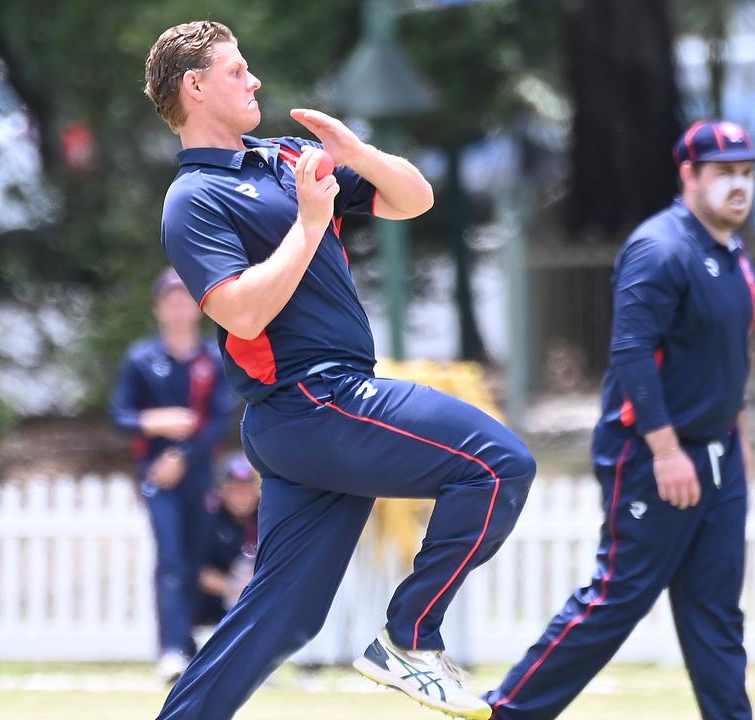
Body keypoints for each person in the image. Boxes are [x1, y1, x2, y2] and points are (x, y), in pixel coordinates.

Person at [142, 20, 536, 720]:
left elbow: (415, 199)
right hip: (312, 401)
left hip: (314, 418)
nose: (253, 79)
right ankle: (410, 638)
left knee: (284, 618)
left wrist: (358, 153)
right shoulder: (193, 198)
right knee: (498, 464)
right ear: (195, 87)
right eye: (236, 71)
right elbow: (240, 314)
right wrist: (310, 225)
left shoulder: (285, 157)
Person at [484, 120, 755, 720]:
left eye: (746, 173)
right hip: (653, 457)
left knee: (715, 610)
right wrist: (666, 451)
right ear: (689, 175)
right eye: (724, 172)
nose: (739, 185)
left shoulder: (734, 255)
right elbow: (632, 357)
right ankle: (505, 712)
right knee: (617, 597)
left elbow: (729, 358)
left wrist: (736, 441)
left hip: (718, 458)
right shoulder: (660, 249)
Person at [108, 268, 238, 684]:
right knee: (170, 559)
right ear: (158, 308)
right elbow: (121, 415)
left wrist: (182, 455)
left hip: (200, 476)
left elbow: (219, 420)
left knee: (197, 558)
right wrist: (155, 422)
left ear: (198, 308)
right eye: (171, 301)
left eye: (186, 300)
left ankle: (193, 645)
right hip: (156, 477)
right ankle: (171, 650)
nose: (179, 308)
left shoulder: (213, 359)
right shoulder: (141, 359)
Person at [194, 455, 259, 627]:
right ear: (223, 491)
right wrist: (232, 588)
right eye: (235, 490)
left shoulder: (266, 519)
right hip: (214, 605)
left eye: (247, 490)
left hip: (257, 596)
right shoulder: (208, 521)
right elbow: (197, 571)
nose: (242, 497)